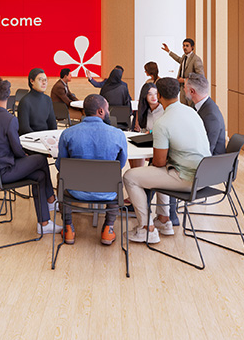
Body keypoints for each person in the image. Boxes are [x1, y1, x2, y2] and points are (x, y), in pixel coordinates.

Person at [123, 77, 211, 244]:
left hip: (187, 179)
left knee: (130, 176)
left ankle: (145, 229)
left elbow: (158, 163)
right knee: (164, 171)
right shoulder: (192, 112)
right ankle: (164, 220)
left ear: (160, 96)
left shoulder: (162, 123)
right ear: (178, 93)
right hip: (205, 176)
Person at [0, 80, 61, 234]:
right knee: (40, 159)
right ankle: (50, 201)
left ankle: (44, 222)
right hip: (3, 172)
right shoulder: (10, 120)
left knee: (40, 176)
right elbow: (17, 150)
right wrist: (25, 155)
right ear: (8, 97)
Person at [56, 95, 128, 245]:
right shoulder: (118, 135)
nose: (108, 112)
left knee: (60, 176)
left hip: (75, 190)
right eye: (107, 109)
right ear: (101, 111)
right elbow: (120, 165)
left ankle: (68, 227)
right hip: (107, 192)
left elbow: (61, 166)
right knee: (116, 179)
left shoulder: (67, 134)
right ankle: (108, 229)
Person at [185, 73, 226, 156]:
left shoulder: (211, 116)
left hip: (212, 163)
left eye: (184, 87)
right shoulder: (203, 105)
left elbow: (207, 150)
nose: (183, 90)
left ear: (192, 91)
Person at [162, 38, 205, 106]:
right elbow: (179, 60)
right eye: (184, 45)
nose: (185, 47)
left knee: (190, 109)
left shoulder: (196, 59)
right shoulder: (184, 57)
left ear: (192, 47)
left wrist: (184, 80)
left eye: (187, 46)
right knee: (183, 107)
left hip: (191, 89)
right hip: (182, 88)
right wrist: (169, 51)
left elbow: (200, 77)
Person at [18, 68, 56, 135]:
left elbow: (52, 124)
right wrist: (38, 138)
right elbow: (24, 128)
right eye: (40, 80)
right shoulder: (25, 102)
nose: (44, 82)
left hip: (45, 138)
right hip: (31, 139)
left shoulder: (48, 100)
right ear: (32, 81)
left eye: (45, 80)